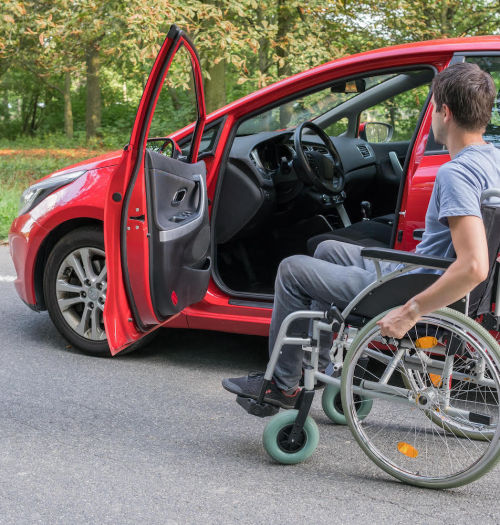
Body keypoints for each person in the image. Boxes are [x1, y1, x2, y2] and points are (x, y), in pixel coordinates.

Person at [222, 62, 500, 409]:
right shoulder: (493, 160)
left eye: (432, 110)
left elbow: (474, 266)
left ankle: (283, 385)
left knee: (292, 270)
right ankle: (322, 367)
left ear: (445, 112)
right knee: (327, 248)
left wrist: (409, 312)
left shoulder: (456, 174)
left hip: (416, 286)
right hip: (423, 272)